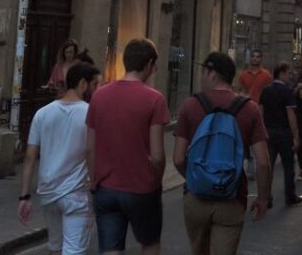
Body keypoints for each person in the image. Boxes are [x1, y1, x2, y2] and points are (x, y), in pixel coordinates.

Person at [173, 52, 270, 255]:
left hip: (196, 198)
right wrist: (262, 197)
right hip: (232, 195)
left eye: (203, 71)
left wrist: (198, 178)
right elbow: (262, 162)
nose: (201, 76)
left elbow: (178, 158)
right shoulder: (249, 109)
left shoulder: (190, 105)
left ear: (212, 74)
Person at [86, 38, 169, 255]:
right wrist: (157, 178)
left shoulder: (99, 96)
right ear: (149, 64)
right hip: (142, 187)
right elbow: (158, 155)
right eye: (155, 65)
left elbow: (90, 147)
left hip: (106, 188)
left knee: (111, 249)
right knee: (149, 244)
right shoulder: (155, 99)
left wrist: (94, 182)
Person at [18, 62, 101, 255]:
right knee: (74, 250)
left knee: (55, 247)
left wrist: (24, 196)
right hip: (76, 193)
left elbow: (30, 157)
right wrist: (94, 188)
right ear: (82, 84)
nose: (96, 90)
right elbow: (90, 152)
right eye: (94, 84)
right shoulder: (89, 113)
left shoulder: (42, 114)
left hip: (48, 192)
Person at [259, 61, 302, 208]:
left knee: (268, 166)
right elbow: (291, 115)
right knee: (288, 166)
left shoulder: (265, 91)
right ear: (282, 73)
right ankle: (290, 196)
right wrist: (296, 136)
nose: (290, 76)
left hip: (269, 131)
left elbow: (260, 112)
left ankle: (266, 196)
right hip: (284, 132)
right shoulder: (287, 91)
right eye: (288, 73)